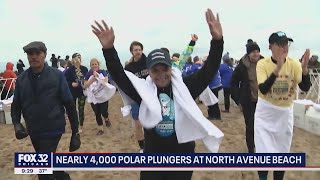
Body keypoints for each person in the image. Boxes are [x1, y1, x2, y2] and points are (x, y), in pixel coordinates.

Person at [91, 8, 224, 180]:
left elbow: (209, 69)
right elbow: (120, 76)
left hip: (182, 154)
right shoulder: (143, 92)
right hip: (153, 156)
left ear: (171, 68)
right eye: (155, 70)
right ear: (149, 71)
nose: (161, 74)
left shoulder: (186, 87)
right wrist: (109, 49)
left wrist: (217, 41)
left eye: (164, 69)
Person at [11, 41, 80, 180]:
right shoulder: (22, 79)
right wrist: (17, 124)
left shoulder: (57, 75)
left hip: (53, 127)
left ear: (45, 55)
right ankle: (63, 177)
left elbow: (69, 103)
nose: (34, 57)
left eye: (38, 53)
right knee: (47, 161)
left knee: (43, 169)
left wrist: (75, 132)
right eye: (30, 54)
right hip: (33, 129)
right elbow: (16, 104)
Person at [255, 31, 311, 180]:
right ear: (270, 47)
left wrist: (304, 69)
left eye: (286, 44)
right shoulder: (262, 64)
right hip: (265, 111)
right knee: (263, 151)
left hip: (285, 111)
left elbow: (305, 87)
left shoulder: (294, 64)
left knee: (282, 151)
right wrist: (277, 68)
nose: (284, 47)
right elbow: (263, 89)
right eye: (280, 44)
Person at [231, 40, 263, 153]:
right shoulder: (242, 66)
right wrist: (238, 99)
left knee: (262, 127)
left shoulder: (265, 63)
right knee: (250, 126)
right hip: (248, 101)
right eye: (253, 52)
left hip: (264, 102)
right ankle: (251, 149)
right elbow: (233, 83)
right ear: (249, 53)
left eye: (258, 51)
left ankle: (261, 146)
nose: (256, 54)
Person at [124, 41, 148, 153]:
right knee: (138, 124)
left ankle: (152, 144)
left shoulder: (149, 62)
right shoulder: (129, 67)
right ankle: (142, 147)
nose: (138, 52)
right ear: (131, 52)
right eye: (135, 50)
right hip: (136, 99)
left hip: (150, 97)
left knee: (152, 124)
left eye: (139, 49)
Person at [84, 58, 112, 135]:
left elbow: (105, 82)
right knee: (97, 113)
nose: (94, 65)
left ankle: (106, 119)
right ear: (90, 65)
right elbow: (85, 85)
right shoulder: (88, 73)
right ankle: (101, 129)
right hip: (93, 97)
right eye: (92, 64)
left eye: (95, 64)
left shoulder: (102, 71)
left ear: (98, 65)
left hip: (103, 96)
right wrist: (92, 79)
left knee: (104, 111)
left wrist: (98, 76)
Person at [64, 53, 88, 133]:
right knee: (73, 110)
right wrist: (71, 83)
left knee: (81, 109)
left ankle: (81, 126)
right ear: (73, 60)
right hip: (72, 92)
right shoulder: (68, 70)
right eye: (76, 58)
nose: (78, 60)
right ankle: (75, 125)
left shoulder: (84, 69)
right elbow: (64, 81)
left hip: (82, 92)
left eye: (79, 58)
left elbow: (86, 79)